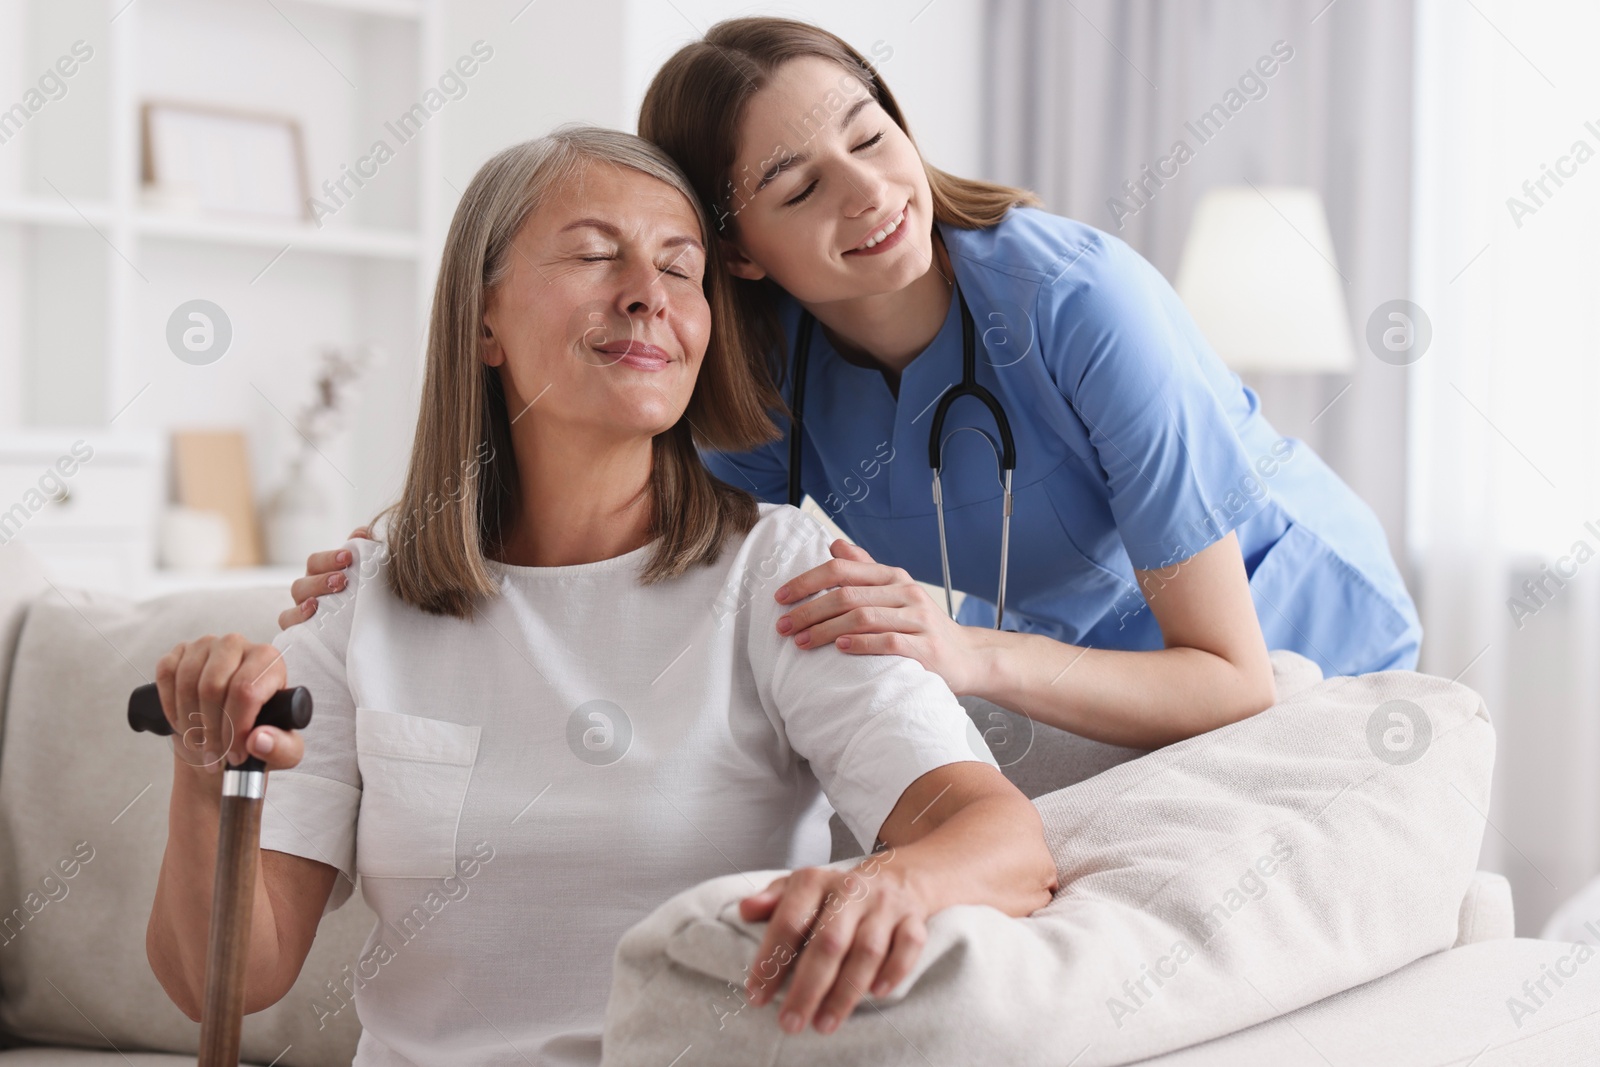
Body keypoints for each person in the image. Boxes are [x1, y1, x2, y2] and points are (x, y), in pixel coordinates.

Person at [144, 127, 1058, 1064]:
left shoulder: (779, 573)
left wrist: (888, 887)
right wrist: (204, 765)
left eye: (680, 267)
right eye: (592, 255)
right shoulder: (365, 593)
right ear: (482, 319)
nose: (647, 296)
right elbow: (224, 981)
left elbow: (1003, 842)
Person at [288, 18, 1421, 752]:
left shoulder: (1076, 304)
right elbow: (595, 510)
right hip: (1085, 665)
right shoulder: (754, 381)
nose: (868, 193)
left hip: (1291, 645)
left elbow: (1230, 678)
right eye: (794, 184)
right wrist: (401, 558)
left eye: (870, 137)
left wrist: (969, 654)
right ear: (736, 251)